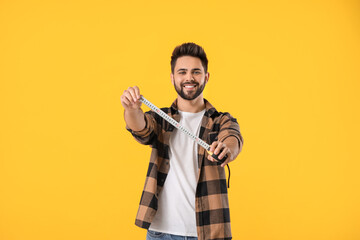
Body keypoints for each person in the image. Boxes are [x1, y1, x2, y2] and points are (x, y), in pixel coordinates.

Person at [121, 42, 244, 240]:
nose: (189, 78)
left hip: (208, 232)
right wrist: (131, 109)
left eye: (196, 72)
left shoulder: (221, 120)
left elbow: (233, 138)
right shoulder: (161, 118)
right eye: (182, 72)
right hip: (160, 232)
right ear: (173, 78)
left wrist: (225, 149)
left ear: (206, 76)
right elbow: (141, 127)